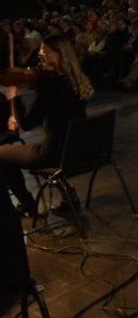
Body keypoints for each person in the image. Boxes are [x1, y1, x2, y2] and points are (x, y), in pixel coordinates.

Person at [0, 35, 93, 216]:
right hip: (77, 150)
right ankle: (68, 197)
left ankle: (27, 203)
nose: (41, 54)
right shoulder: (75, 79)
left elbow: (26, 124)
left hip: (52, 154)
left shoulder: (50, 84)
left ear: (61, 54)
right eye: (42, 50)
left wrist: (14, 98)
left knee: (1, 153)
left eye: (47, 51)